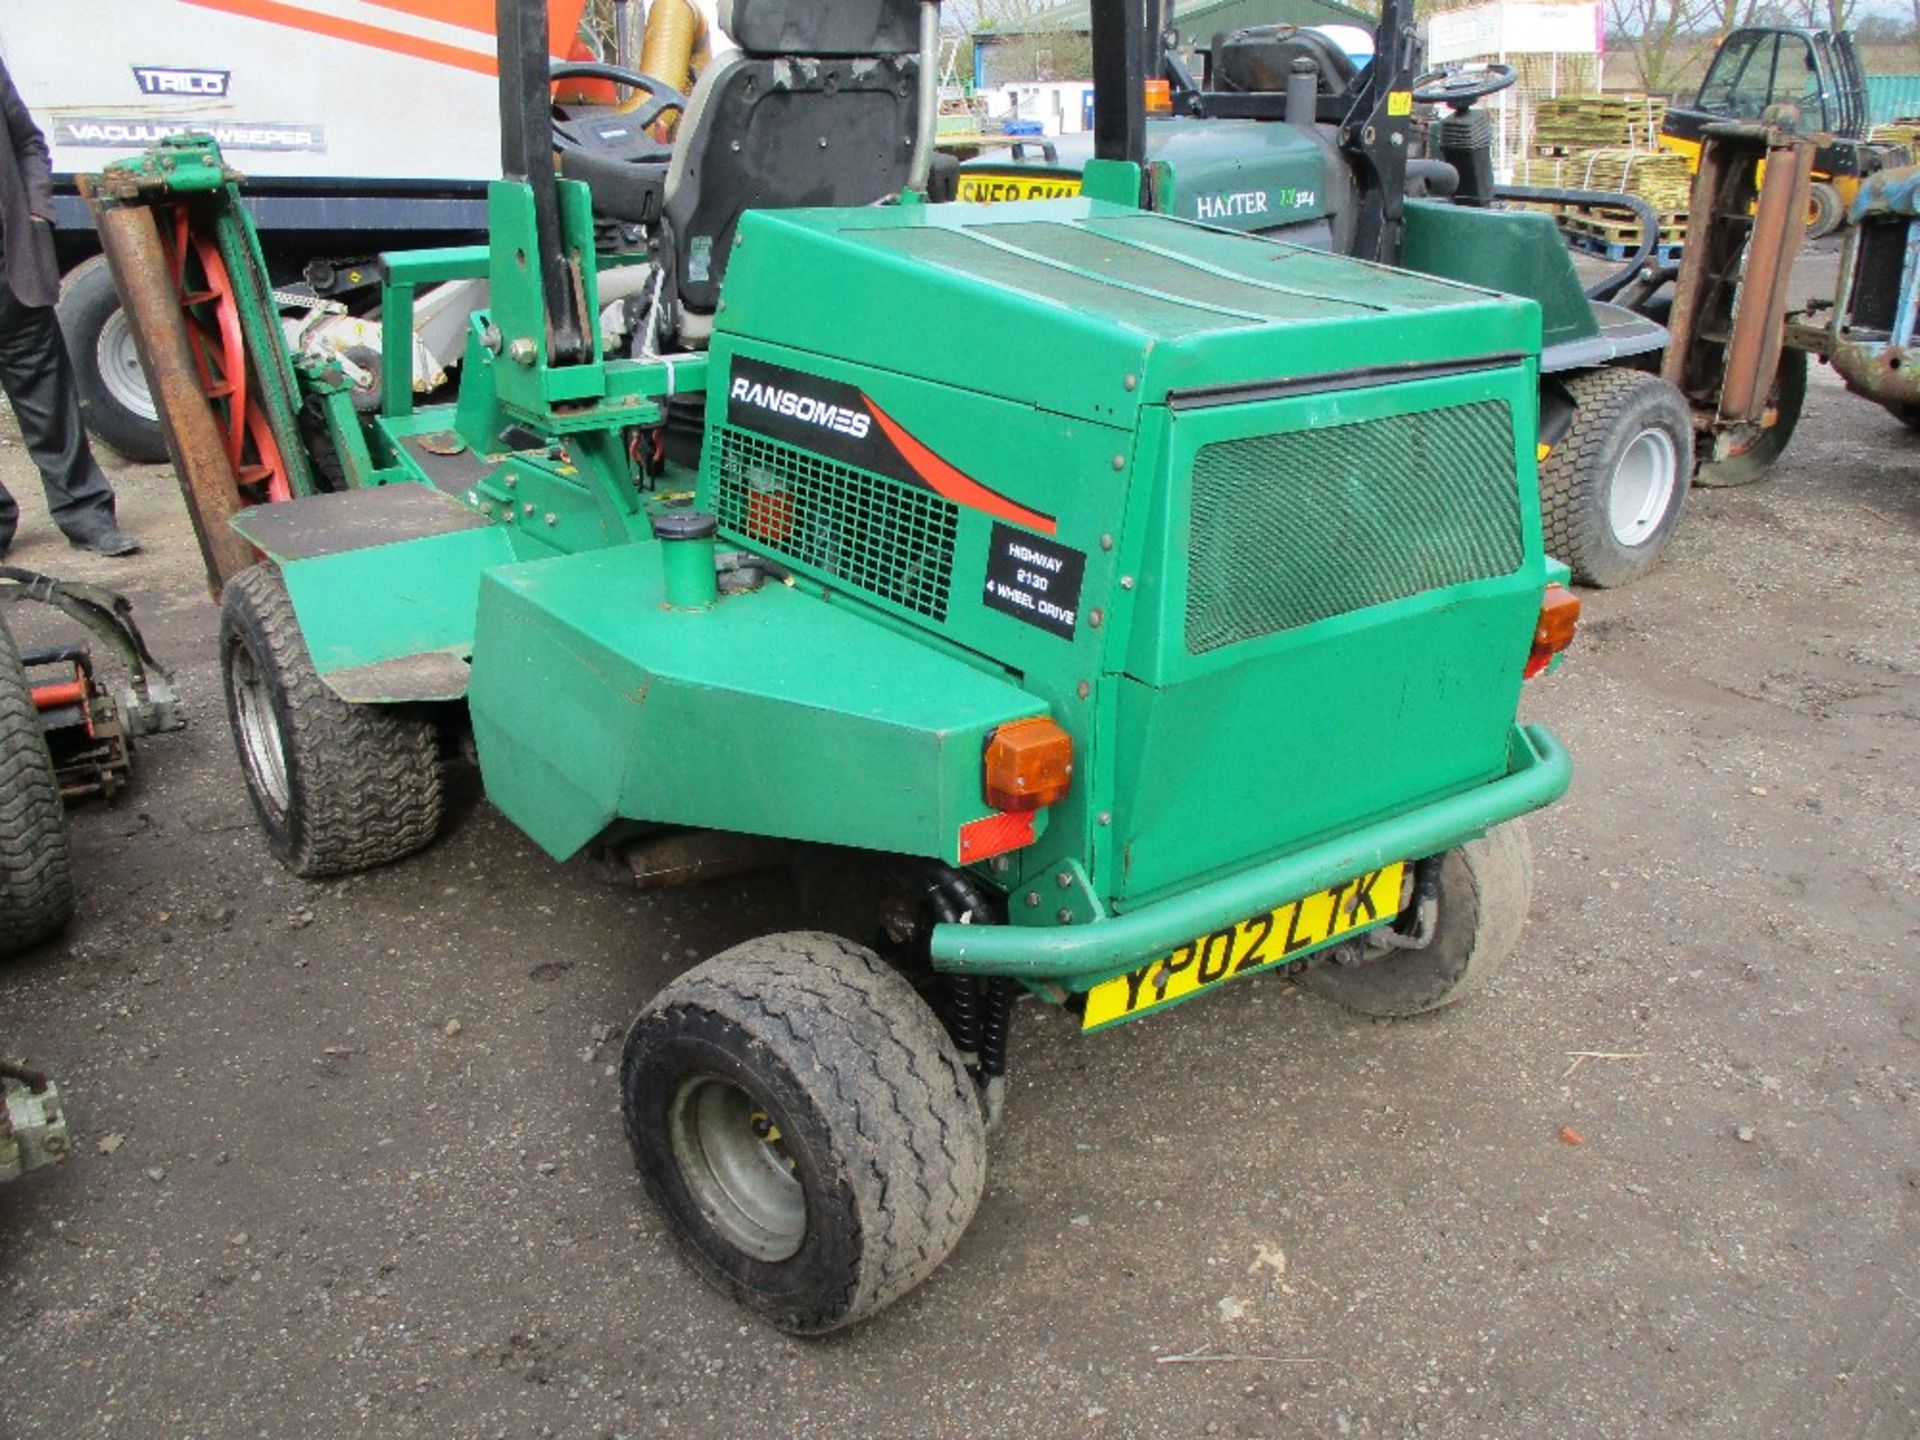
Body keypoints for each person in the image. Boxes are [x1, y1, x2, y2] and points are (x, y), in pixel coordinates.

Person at [0, 53, 137, 558]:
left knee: (51, 404)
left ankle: (88, 517)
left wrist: (38, 213)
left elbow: (28, 143)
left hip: (10, 269)